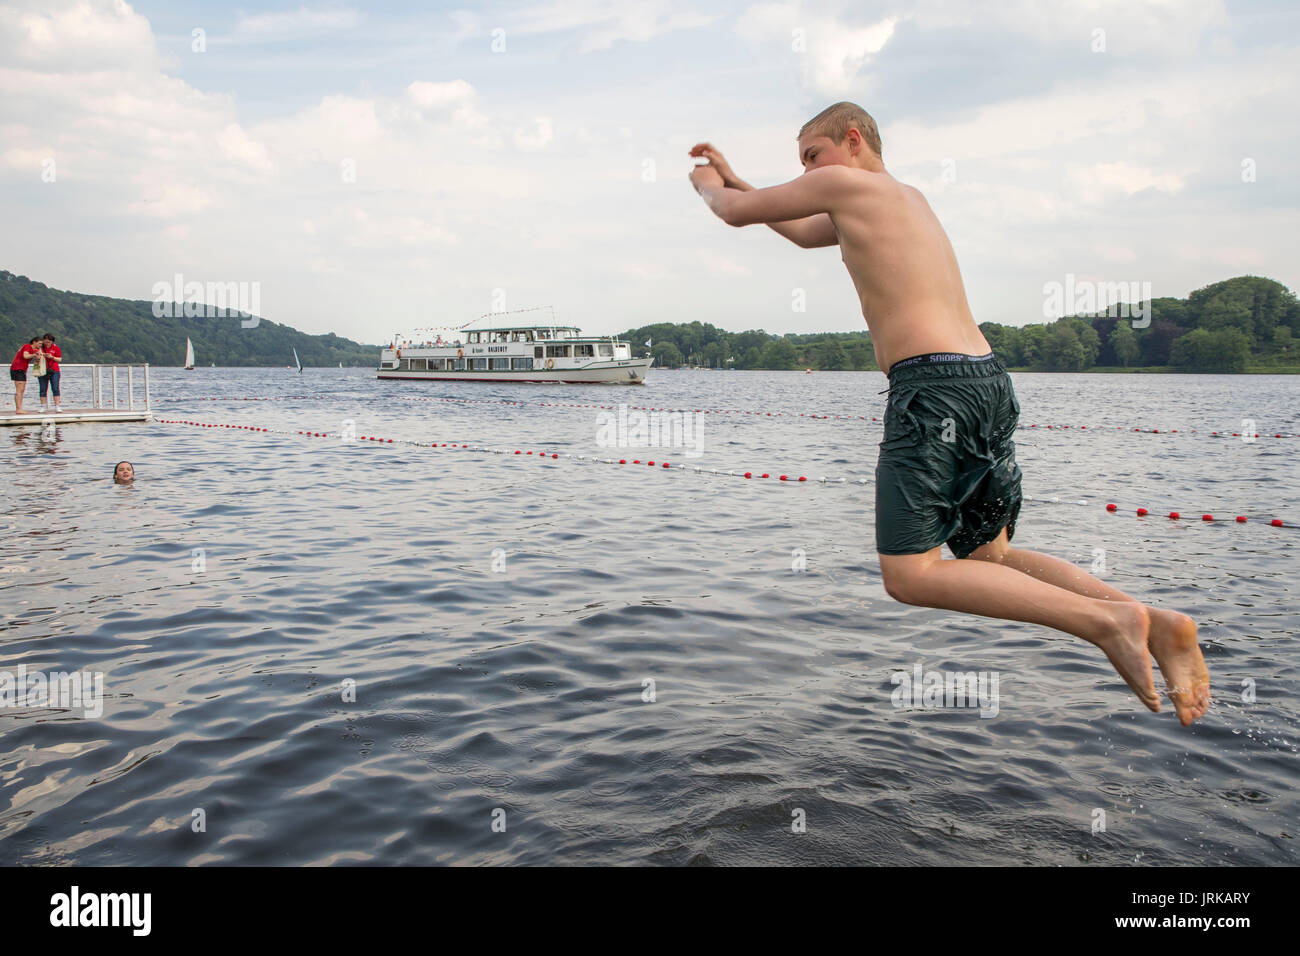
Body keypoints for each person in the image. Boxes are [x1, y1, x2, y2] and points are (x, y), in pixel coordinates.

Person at [688, 102, 1210, 726]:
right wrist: (734, 174)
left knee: (909, 576)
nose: (807, 172)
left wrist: (707, 185)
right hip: (985, 380)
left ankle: (1108, 621)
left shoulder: (843, 183)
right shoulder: (904, 199)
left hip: (932, 386)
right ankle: (1158, 623)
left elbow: (735, 214)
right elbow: (799, 229)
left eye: (811, 157)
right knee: (989, 558)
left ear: (852, 140)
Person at [9, 337, 41, 414]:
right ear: (34, 342)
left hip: (23, 370)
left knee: (22, 389)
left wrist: (38, 356)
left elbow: (37, 359)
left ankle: (19, 408)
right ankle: (18, 409)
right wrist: (34, 354)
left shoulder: (35, 350)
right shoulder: (27, 346)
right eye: (39, 343)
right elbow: (25, 356)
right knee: (19, 389)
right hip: (17, 368)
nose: (41, 345)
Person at [38, 333, 62, 412]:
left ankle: (57, 406)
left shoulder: (56, 348)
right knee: (43, 388)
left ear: (52, 341)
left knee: (55, 388)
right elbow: (36, 357)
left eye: (49, 342)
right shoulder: (40, 348)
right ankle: (43, 406)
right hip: (43, 369)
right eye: (45, 341)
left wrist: (52, 357)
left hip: (54, 370)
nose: (47, 343)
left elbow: (59, 359)